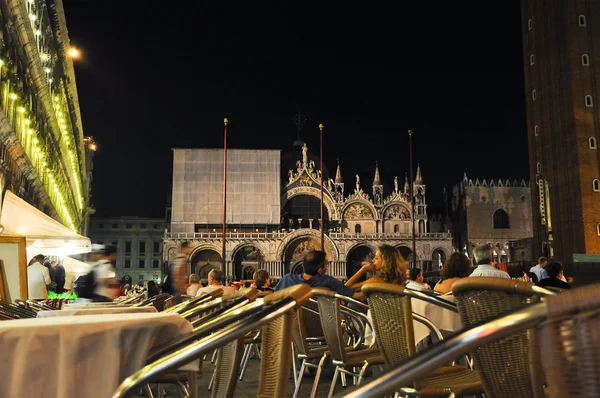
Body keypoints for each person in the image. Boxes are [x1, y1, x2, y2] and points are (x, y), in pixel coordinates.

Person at [275, 250, 365, 300]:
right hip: (323, 329)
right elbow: (358, 296)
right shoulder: (327, 281)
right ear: (320, 270)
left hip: (290, 329)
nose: (327, 267)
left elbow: (273, 300)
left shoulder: (286, 279)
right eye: (326, 264)